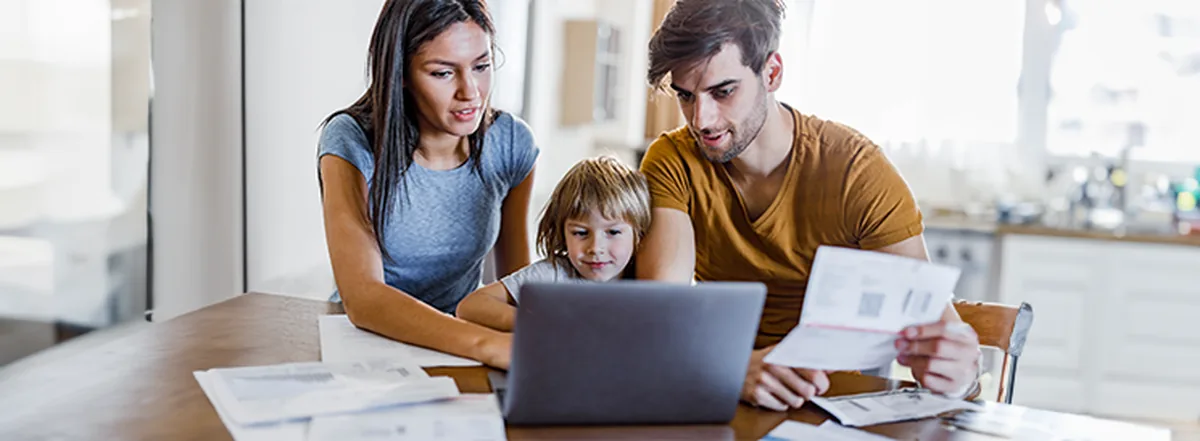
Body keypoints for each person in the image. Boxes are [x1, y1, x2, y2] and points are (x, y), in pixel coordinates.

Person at [637, 0, 982, 411]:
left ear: (772, 72)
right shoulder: (673, 161)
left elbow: (943, 336)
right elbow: (661, 317)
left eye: (723, 92)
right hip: (724, 394)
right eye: (686, 97)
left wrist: (962, 376)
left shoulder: (856, 171)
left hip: (841, 408)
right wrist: (730, 367)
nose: (701, 120)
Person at [317, 0, 537, 369]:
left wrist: (544, 331)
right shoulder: (351, 139)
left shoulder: (512, 143)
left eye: (481, 67)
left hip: (460, 349)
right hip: (365, 343)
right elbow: (364, 297)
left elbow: (516, 285)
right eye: (443, 73)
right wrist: (486, 344)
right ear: (401, 72)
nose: (471, 92)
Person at [458, 156, 651, 333]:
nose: (595, 248)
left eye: (613, 232)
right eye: (581, 233)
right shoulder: (555, 274)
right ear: (563, 233)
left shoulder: (647, 278)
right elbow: (470, 306)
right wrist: (545, 322)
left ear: (638, 233)